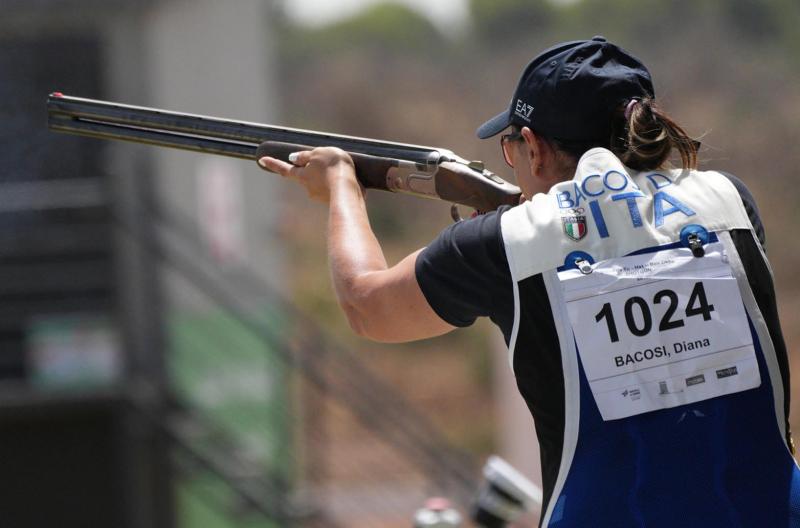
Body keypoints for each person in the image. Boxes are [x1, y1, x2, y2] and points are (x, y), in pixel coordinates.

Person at [258, 36, 799, 527]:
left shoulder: (509, 243)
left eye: (512, 145)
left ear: (534, 148)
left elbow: (365, 305)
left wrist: (341, 188)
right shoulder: (730, 200)